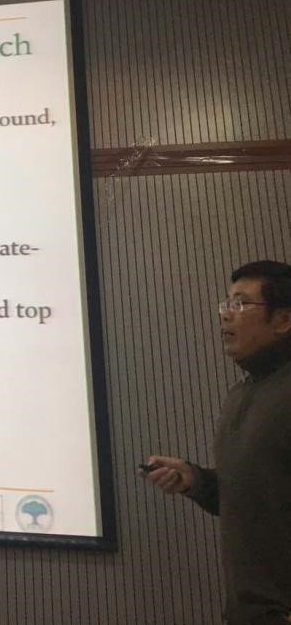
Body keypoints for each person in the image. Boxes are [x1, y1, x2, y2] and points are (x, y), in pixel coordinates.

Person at [143, 260, 291, 625]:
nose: (225, 315)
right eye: (226, 303)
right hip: (247, 612)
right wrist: (195, 480)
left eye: (241, 304)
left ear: (283, 320)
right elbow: (252, 499)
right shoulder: (240, 394)